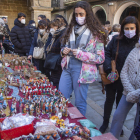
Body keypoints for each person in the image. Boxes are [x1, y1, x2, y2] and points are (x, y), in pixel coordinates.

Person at [58, 1, 106, 116]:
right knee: (61, 97)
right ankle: (63, 122)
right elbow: (63, 47)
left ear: (88, 14)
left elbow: (100, 58)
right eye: (76, 14)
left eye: (81, 14)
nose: (78, 17)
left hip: (82, 71)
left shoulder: (96, 33)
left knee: (80, 102)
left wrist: (80, 53)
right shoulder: (70, 30)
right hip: (67, 67)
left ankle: (79, 129)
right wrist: (63, 51)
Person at [99, 16, 139, 134]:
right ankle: (105, 123)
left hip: (127, 80)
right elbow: (106, 53)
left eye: (132, 28)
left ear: (136, 28)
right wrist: (108, 68)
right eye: (126, 28)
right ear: (122, 29)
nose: (129, 31)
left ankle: (118, 125)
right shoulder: (116, 39)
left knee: (120, 104)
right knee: (109, 100)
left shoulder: (138, 43)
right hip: (112, 76)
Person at [110, 40, 140, 140]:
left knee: (137, 124)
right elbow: (124, 72)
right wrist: (130, 91)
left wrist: (136, 93)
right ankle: (112, 137)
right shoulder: (134, 51)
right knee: (118, 116)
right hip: (128, 91)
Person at [44, 15, 68, 89]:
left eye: (53, 27)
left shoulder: (63, 34)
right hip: (55, 63)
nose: (51, 29)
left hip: (58, 63)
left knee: (57, 82)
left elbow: (63, 49)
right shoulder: (56, 34)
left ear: (57, 26)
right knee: (55, 80)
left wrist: (58, 61)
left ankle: (59, 97)